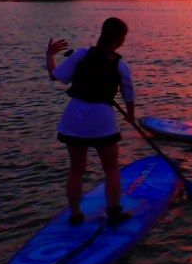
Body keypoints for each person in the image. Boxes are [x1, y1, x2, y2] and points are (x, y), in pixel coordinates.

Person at [45, 17, 135, 226]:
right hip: (101, 118)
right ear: (120, 39)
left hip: (74, 116)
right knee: (111, 167)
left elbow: (55, 76)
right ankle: (114, 211)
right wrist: (130, 114)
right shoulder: (120, 64)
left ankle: (75, 215)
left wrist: (49, 55)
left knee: (76, 168)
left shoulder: (81, 55)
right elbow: (128, 92)